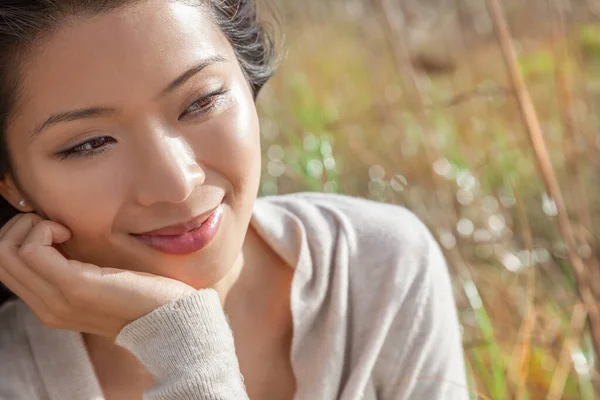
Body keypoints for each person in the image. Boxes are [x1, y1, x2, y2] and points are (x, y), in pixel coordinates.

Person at [0, 0, 468, 399]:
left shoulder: (377, 268)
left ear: (249, 82)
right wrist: (183, 346)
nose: (177, 183)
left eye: (200, 102)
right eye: (89, 144)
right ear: (12, 183)